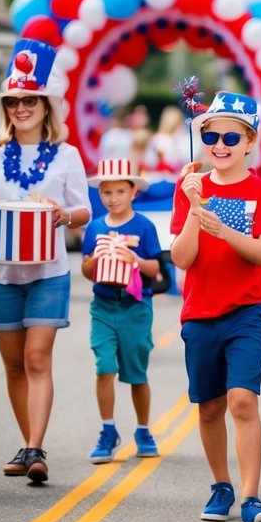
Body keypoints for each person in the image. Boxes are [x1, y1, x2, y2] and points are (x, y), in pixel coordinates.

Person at [0, 39, 91, 484]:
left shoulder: (67, 156)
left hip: (49, 271)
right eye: (13, 101)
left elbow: (84, 211)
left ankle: (34, 448)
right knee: (13, 365)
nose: (20, 108)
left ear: (47, 105)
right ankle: (27, 442)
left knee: (36, 359)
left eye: (29, 99)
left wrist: (64, 214)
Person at [171, 91, 261, 522]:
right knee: (208, 406)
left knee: (242, 399)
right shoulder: (191, 188)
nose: (220, 144)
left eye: (230, 137)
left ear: (250, 142)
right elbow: (181, 259)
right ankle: (220, 486)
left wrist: (226, 229)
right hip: (200, 312)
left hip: (248, 311)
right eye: (211, 135)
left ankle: (251, 497)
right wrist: (196, 209)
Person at [80, 159, 166, 464]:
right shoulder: (95, 227)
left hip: (135, 306)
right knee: (104, 367)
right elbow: (87, 270)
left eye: (119, 191)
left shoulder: (144, 226)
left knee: (136, 373)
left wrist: (133, 259)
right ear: (100, 195)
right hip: (103, 305)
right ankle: (108, 430)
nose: (113, 198)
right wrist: (97, 257)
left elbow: (157, 269)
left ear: (133, 192)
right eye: (106, 192)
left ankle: (143, 430)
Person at [144, 105, 188, 176]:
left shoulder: (156, 138)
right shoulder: (164, 139)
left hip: (161, 177)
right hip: (166, 177)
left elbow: (148, 161)